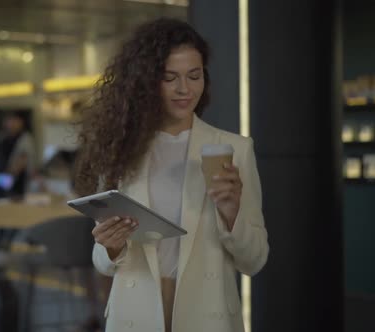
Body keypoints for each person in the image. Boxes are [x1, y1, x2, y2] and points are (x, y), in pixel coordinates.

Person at [74, 18, 269, 332]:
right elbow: (103, 263)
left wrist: (232, 214)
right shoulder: (119, 150)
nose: (185, 89)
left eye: (194, 76)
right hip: (134, 315)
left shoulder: (234, 149)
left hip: (207, 315)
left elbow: (255, 260)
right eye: (170, 78)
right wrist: (110, 246)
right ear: (146, 82)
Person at [0, 112, 36, 196]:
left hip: (17, 182)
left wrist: (8, 178)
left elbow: (22, 161)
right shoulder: (2, 138)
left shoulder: (25, 138)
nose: (12, 124)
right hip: (3, 180)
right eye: (9, 121)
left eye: (15, 121)